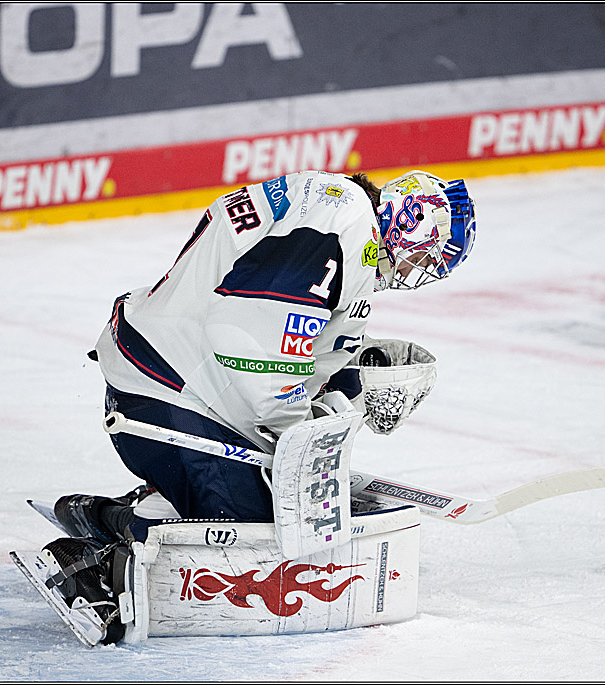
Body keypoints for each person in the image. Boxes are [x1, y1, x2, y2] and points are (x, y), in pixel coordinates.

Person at [39, 169, 477, 644]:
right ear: (405, 218)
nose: (417, 270)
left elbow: (296, 333)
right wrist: (304, 435)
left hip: (173, 383)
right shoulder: (344, 218)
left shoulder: (340, 215)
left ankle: (141, 508)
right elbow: (249, 334)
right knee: (259, 546)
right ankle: (102, 556)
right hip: (169, 396)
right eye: (425, 254)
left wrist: (356, 377)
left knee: (284, 523)